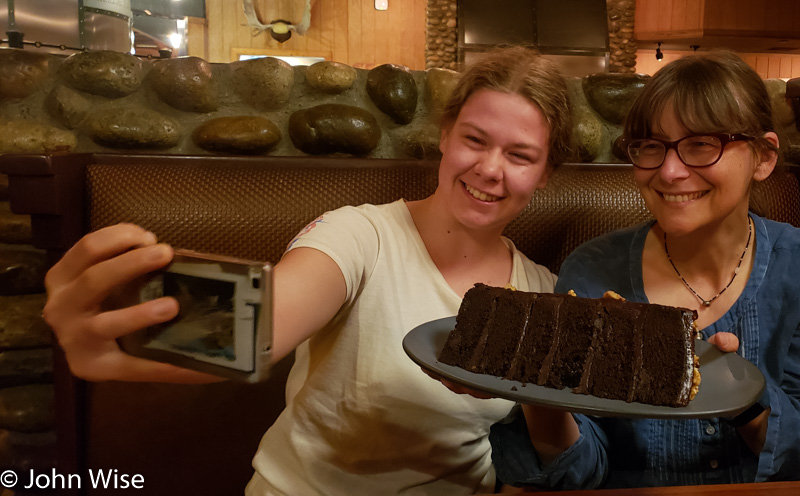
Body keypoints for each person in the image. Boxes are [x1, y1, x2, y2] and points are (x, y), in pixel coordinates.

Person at [40, 46, 575, 495]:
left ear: (546, 174)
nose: (488, 169)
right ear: (445, 135)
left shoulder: (540, 292)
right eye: (475, 140)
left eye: (520, 155)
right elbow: (262, 330)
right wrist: (117, 349)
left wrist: (540, 393)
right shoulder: (360, 236)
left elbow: (553, 445)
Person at [483, 50, 800, 489]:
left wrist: (742, 401)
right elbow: (581, 471)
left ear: (764, 157)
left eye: (702, 143)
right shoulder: (593, 271)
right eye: (651, 146)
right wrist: (538, 398)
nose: (670, 171)